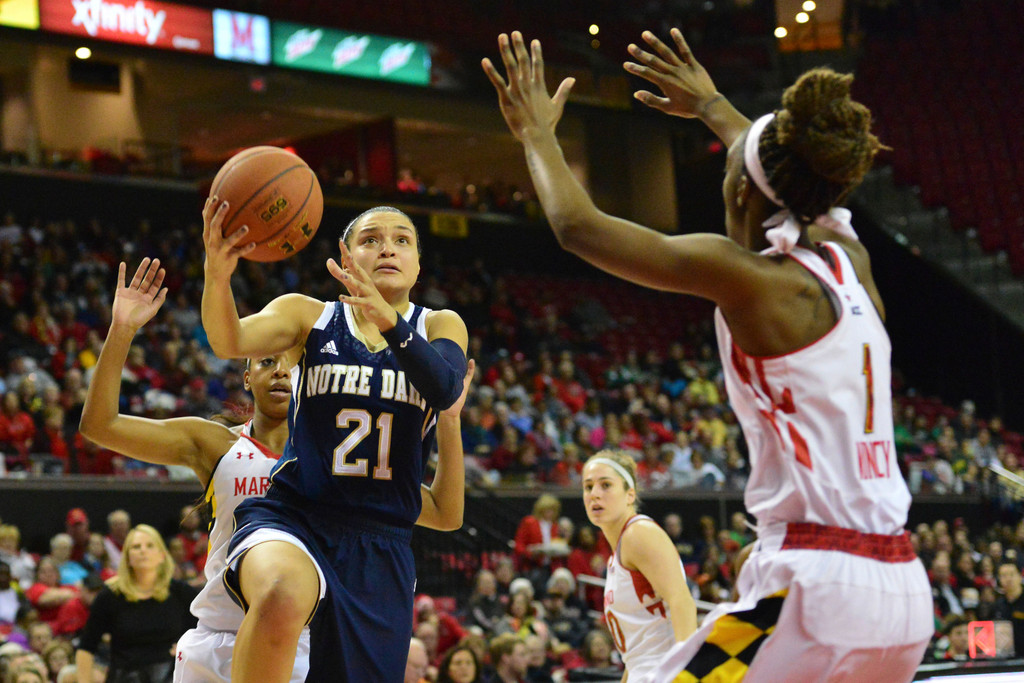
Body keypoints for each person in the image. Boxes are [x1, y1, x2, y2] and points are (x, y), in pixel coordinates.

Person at [483, 28, 932, 682]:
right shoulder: (850, 261)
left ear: (743, 192)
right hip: (903, 588)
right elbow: (782, 172)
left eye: (727, 173)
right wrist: (713, 105)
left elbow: (577, 227)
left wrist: (535, 135)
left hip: (815, 588)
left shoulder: (751, 279)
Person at [201, 202, 470, 682]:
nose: (387, 248)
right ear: (346, 257)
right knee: (281, 594)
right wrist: (217, 277)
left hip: (381, 540)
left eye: (402, 240)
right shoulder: (308, 315)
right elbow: (228, 339)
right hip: (297, 515)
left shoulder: (440, 325)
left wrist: (389, 321)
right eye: (371, 239)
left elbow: (447, 389)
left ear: (417, 265)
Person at [77, 258, 310, 683]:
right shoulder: (214, 443)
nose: (280, 371)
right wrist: (123, 329)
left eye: (290, 363)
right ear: (246, 378)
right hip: (217, 642)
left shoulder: (331, 455)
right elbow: (99, 425)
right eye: (266, 362)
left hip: (298, 642)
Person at [576, 451, 696, 680]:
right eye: (588, 487)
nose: (595, 494)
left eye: (606, 485)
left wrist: (686, 674)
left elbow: (682, 601)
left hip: (665, 672)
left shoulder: (639, 533)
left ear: (630, 494)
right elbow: (637, 655)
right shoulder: (617, 555)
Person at [75, 524, 198, 683]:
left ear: (162, 555)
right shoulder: (110, 596)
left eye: (150, 545)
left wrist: (188, 647)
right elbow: (86, 648)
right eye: (136, 547)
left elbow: (205, 632)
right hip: (124, 677)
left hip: (170, 676)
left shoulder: (182, 593)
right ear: (127, 558)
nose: (143, 551)